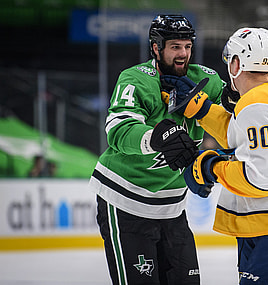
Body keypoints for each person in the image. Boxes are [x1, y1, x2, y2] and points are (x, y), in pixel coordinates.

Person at [162, 27, 268, 284]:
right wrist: (203, 110)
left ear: (237, 63)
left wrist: (211, 167)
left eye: (230, 59)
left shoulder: (256, 103)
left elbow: (262, 178)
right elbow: (242, 137)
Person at [88, 14, 226, 285]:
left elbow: (235, 114)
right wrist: (156, 137)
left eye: (187, 46)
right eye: (175, 47)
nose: (183, 54)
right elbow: (118, 130)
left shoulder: (205, 80)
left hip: (173, 210)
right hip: (125, 202)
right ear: (156, 47)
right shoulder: (136, 79)